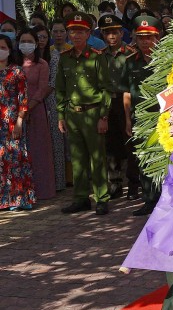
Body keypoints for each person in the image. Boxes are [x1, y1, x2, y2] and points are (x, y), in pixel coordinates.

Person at [55, 13, 112, 215]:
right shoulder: (64, 59)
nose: (75, 35)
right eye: (72, 31)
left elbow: (106, 89)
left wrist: (103, 116)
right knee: (77, 158)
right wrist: (61, 116)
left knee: (97, 158)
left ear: (88, 33)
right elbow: (60, 89)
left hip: (93, 113)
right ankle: (80, 198)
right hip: (73, 114)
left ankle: (102, 198)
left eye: (80, 31)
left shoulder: (97, 56)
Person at [122, 16, 163, 215]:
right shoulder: (130, 62)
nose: (145, 41)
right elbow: (127, 93)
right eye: (141, 38)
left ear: (157, 37)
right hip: (140, 117)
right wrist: (128, 119)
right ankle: (149, 199)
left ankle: (165, 199)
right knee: (144, 159)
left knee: (164, 159)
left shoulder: (167, 61)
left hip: (162, 118)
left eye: (149, 37)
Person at [18, 28, 56, 201]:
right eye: (23, 41)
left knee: (39, 150)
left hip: (36, 111)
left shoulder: (42, 64)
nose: (26, 45)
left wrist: (27, 108)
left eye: (29, 41)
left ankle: (42, 190)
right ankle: (21, 192)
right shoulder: (14, 65)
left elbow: (42, 90)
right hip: (15, 112)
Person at [0, 34, 36, 210]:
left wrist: (20, 122)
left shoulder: (17, 71)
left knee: (15, 160)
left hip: (13, 122)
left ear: (9, 50)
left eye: (3, 47)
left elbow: (23, 98)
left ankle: (18, 199)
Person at [100, 14, 132, 199]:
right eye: (107, 33)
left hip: (125, 100)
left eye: (115, 32)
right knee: (111, 145)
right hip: (107, 101)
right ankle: (115, 183)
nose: (111, 36)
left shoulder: (129, 53)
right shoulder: (100, 55)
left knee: (128, 141)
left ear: (121, 33)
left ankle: (133, 183)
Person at [34, 25, 66, 191]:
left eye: (44, 37)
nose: (41, 40)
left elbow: (52, 83)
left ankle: (58, 182)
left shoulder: (54, 55)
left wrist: (37, 98)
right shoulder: (27, 58)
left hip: (51, 101)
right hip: (33, 104)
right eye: (38, 37)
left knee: (55, 142)